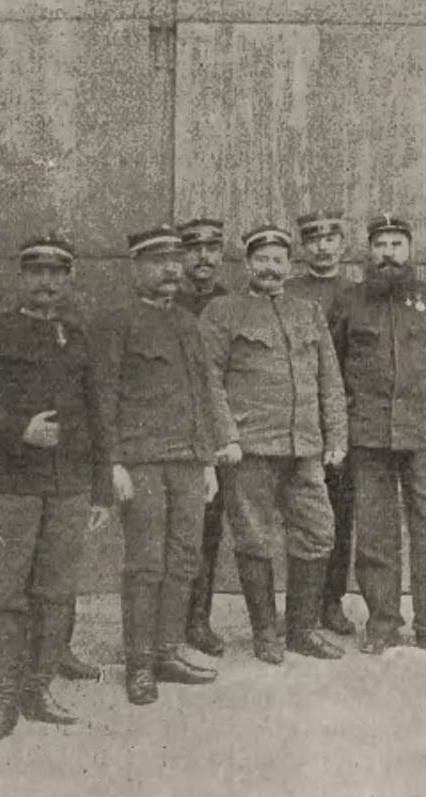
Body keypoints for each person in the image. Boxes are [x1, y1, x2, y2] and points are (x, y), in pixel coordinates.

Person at [0, 234, 111, 746]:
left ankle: (38, 692)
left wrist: (101, 489)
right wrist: (21, 429)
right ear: (22, 277)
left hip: (69, 487)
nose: (47, 283)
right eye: (37, 272)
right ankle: (3, 704)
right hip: (12, 486)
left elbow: (97, 417)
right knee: (6, 594)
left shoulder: (78, 336)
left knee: (57, 591)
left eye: (57, 273)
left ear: (69, 279)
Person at [201, 224, 348, 664]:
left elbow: (330, 380)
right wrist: (226, 436)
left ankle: (301, 629)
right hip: (250, 449)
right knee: (253, 540)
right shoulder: (223, 312)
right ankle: (265, 632)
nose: (270, 267)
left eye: (278, 260)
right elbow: (208, 380)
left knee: (318, 533)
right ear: (248, 264)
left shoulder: (308, 312)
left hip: (304, 448)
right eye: (262, 259)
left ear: (289, 264)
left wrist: (336, 435)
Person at [331, 214, 426, 655]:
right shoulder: (350, 303)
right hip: (368, 435)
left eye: (396, 244)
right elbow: (332, 369)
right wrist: (342, 425)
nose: (388, 253)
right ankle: (383, 624)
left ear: (409, 250)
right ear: (369, 251)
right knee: (375, 534)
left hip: (425, 434)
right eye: (380, 245)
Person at [96, 225, 222, 705]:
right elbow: (103, 399)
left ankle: (168, 652)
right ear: (136, 268)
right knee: (145, 564)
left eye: (175, 260)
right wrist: (112, 463)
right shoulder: (117, 324)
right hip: (142, 462)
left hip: (188, 461)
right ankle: (140, 665)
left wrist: (207, 462)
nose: (170, 269)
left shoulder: (188, 323)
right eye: (157, 261)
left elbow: (202, 394)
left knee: (185, 558)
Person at [288, 210, 357, 636]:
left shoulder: (356, 293)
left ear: (343, 245)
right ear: (303, 247)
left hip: (341, 417)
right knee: (300, 514)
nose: (322, 247)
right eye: (313, 239)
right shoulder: (289, 292)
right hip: (296, 417)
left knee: (340, 513)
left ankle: (332, 602)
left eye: (330, 239)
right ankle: (301, 605)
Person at [174, 217, 231, 657]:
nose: (204, 257)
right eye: (194, 249)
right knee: (169, 531)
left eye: (212, 248)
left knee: (208, 529)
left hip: (217, 432)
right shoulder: (166, 302)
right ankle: (165, 620)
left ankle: (197, 619)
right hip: (172, 432)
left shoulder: (232, 304)